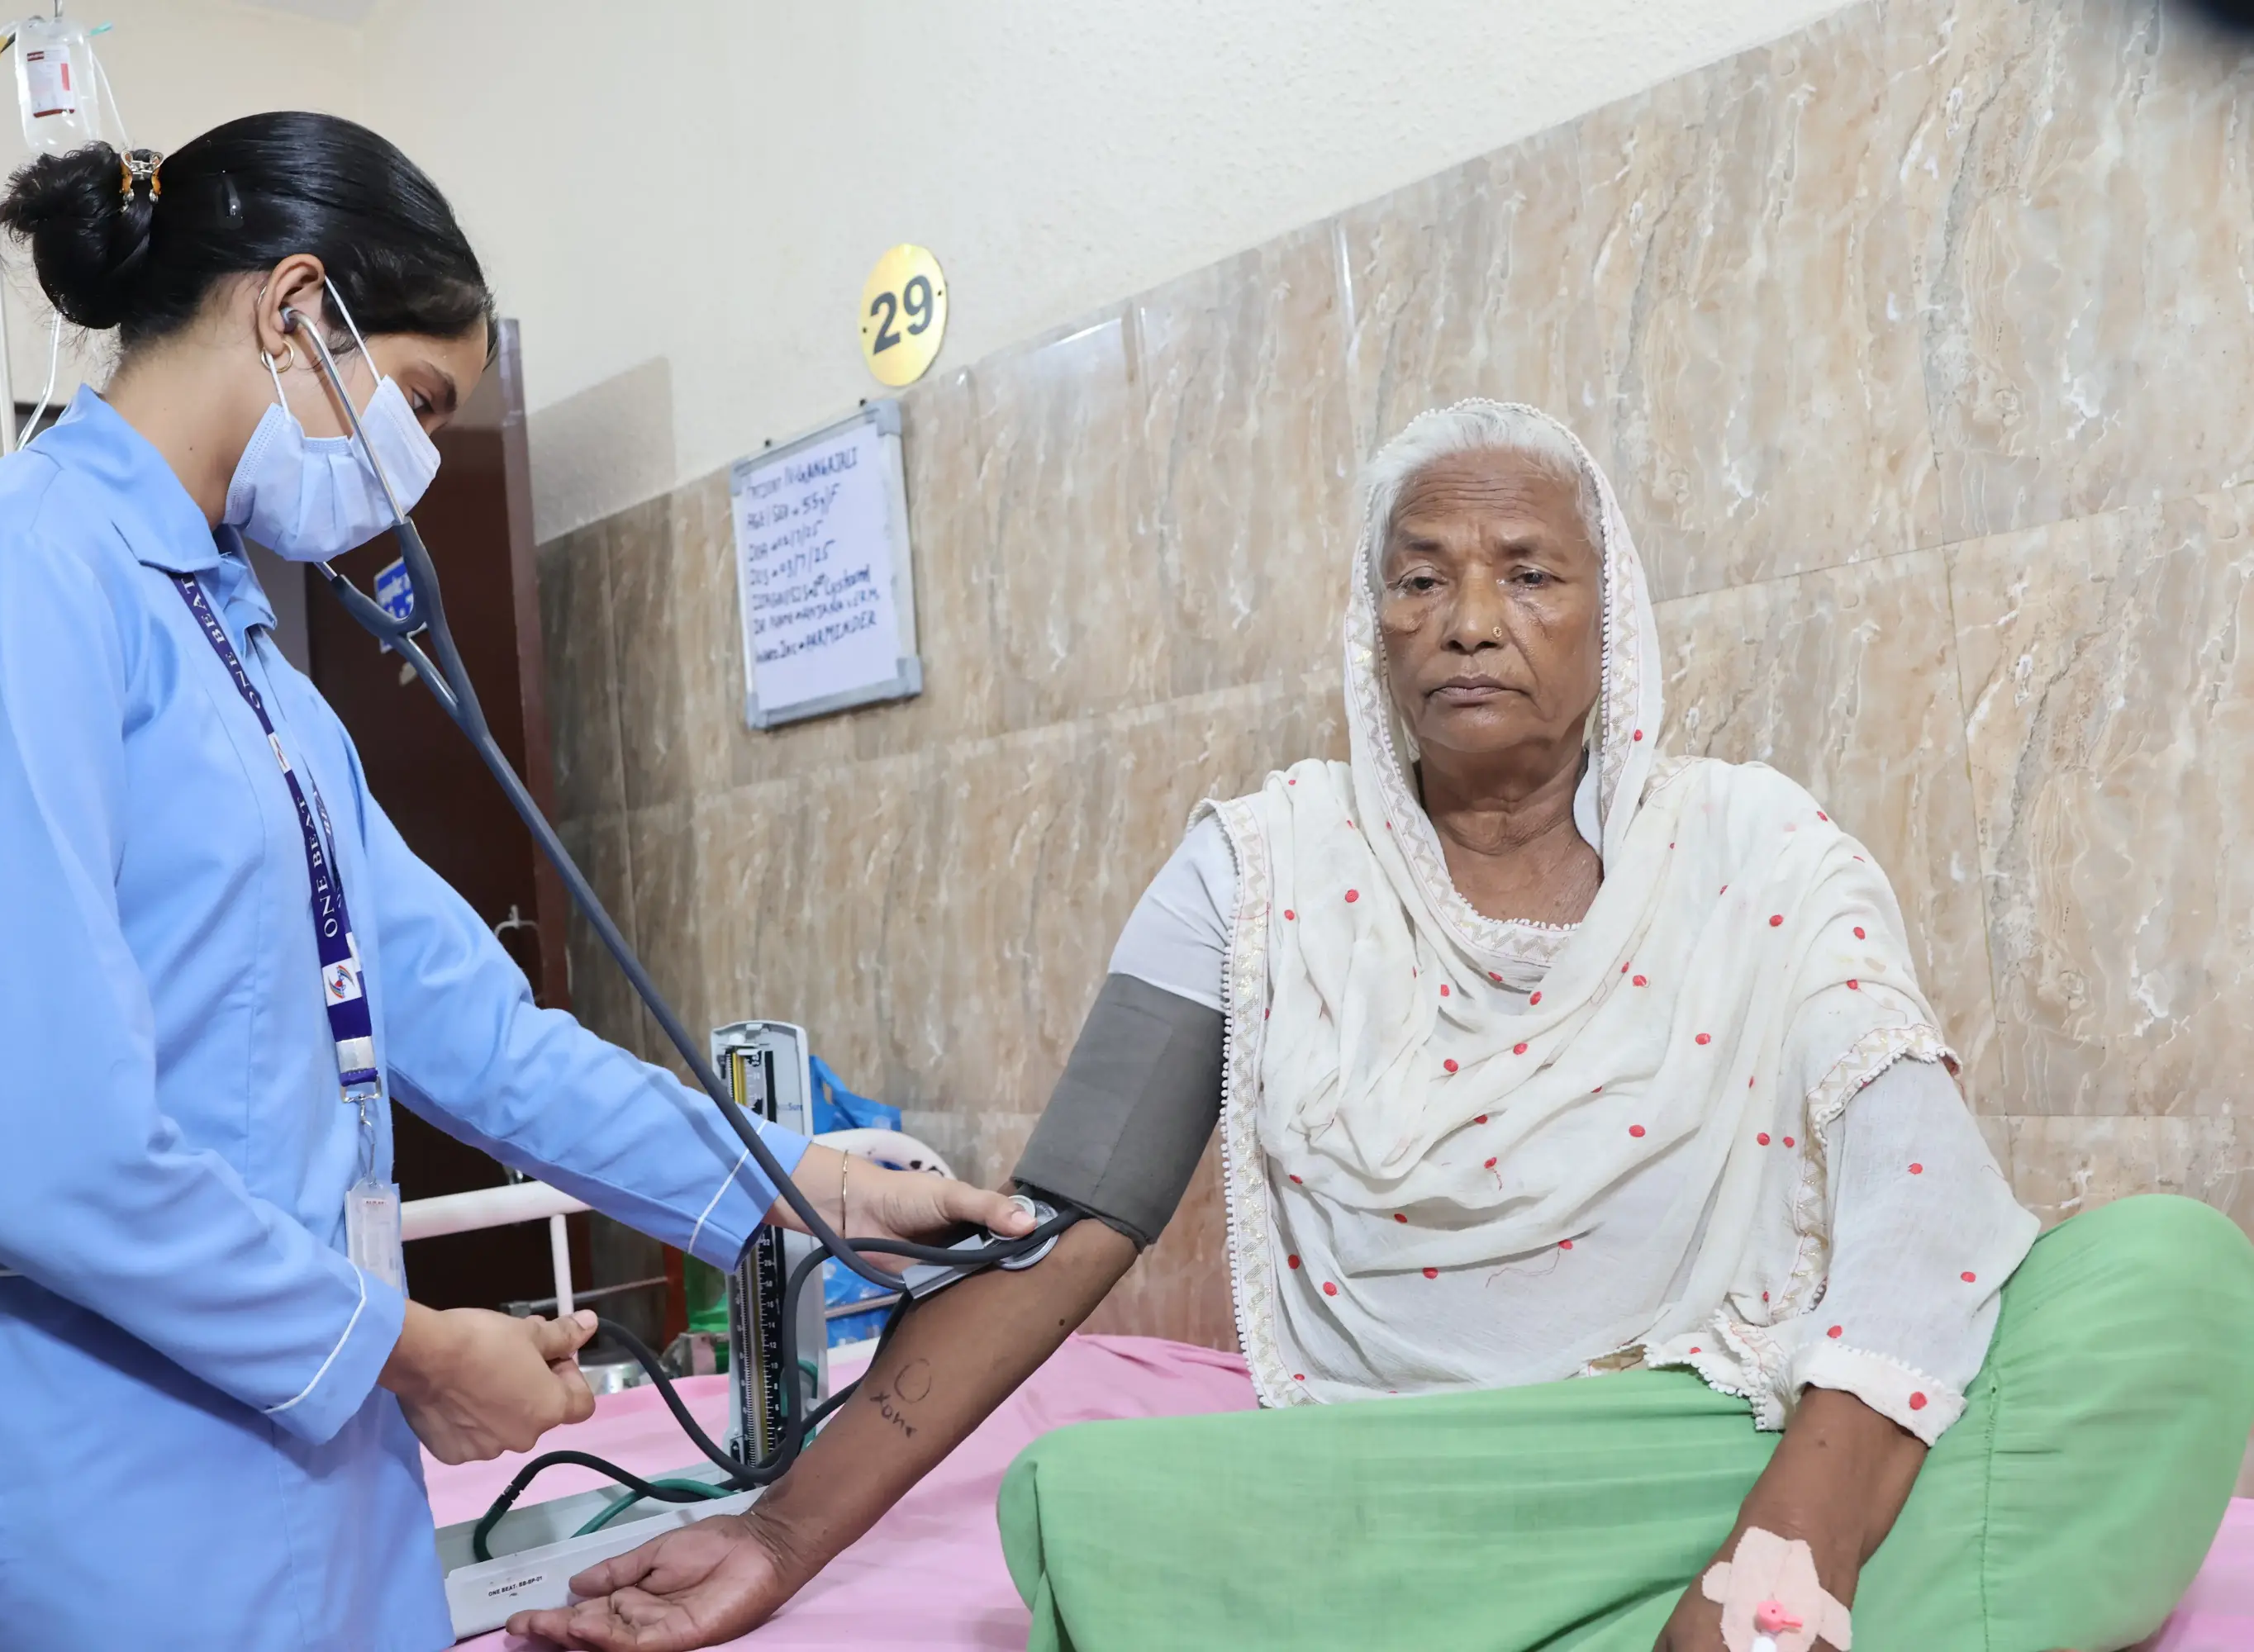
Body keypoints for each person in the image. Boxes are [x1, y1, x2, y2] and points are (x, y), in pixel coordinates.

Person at [512, 402, 2254, 1652]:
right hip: (1419, 1473)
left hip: (1743, 1422)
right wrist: (776, 1538)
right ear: (1371, 627)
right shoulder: (1257, 873)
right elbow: (1061, 1232)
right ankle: (1752, 1589)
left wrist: (1779, 1553)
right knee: (1099, 1511)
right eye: (1420, 579)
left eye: (1530, 573)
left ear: (1614, 618)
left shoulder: (1763, 851)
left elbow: (1922, 1214)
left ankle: (1746, 1585)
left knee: (2165, 1280)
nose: (1470, 620)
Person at [0, 112, 1030, 1652]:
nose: (417, 462)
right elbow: (43, 1139)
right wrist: (412, 1352)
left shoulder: (253, 665)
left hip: (309, 1474)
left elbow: (489, 1043)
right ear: (294, 308)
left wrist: (822, 1193)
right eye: (420, 401)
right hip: (76, 1486)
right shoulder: (6, 579)